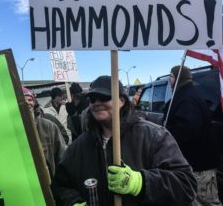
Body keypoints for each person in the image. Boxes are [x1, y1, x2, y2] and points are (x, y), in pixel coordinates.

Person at [52, 75, 197, 206]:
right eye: (92, 98)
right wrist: (73, 202)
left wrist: (140, 183)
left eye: (103, 97)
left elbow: (186, 185)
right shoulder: (81, 144)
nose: (96, 103)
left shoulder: (154, 136)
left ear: (122, 101)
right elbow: (60, 185)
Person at [163, 65, 222, 206]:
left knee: (205, 201)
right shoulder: (186, 94)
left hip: (199, 165)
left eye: (171, 76)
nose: (169, 80)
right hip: (193, 163)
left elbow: (188, 130)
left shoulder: (187, 98)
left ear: (179, 78)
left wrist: (165, 133)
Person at [23, 87, 67, 179]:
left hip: (51, 179)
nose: (27, 102)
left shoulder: (48, 125)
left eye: (30, 99)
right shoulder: (14, 131)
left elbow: (63, 156)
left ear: (34, 102)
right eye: (23, 100)